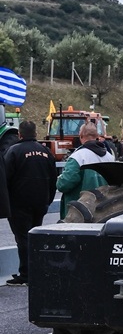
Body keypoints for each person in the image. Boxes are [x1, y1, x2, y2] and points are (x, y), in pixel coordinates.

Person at [4, 121, 57, 286]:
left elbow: (5, 178)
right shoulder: (46, 152)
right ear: (35, 133)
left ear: (20, 134)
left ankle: (26, 274)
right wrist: (47, 200)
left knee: (23, 238)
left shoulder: (13, 151)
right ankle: (37, 271)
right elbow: (53, 179)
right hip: (40, 203)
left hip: (19, 203)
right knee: (35, 237)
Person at [56, 122, 115, 219]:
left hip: (80, 212)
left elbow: (64, 184)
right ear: (96, 136)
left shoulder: (78, 157)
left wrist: (59, 179)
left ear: (81, 136)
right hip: (104, 211)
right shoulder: (109, 157)